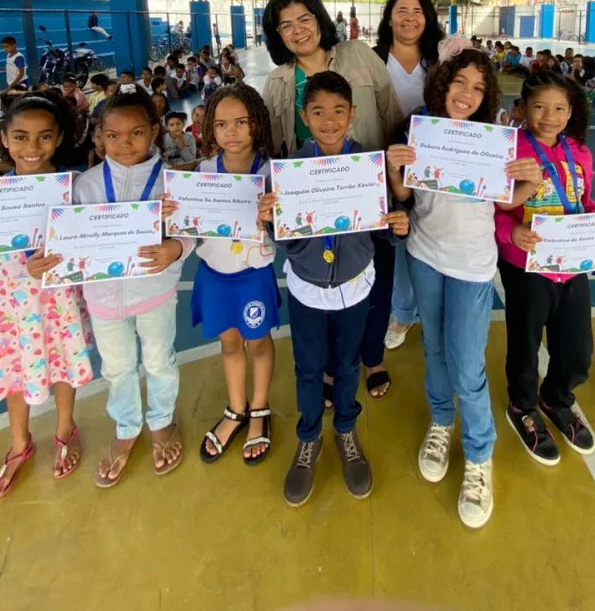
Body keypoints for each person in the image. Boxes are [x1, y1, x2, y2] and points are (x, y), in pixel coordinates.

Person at [385, 38, 535, 529]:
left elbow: (510, 201)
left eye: (477, 87)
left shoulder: (494, 138)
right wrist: (394, 167)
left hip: (471, 266)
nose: (466, 93)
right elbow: (407, 193)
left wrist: (530, 180)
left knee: (468, 363)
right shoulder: (420, 130)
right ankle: (441, 422)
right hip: (425, 256)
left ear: (486, 95)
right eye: (458, 82)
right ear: (441, 83)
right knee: (435, 352)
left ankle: (478, 456)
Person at [259, 71, 409, 507]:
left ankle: (345, 429)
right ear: (304, 117)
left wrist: (398, 225)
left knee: (346, 365)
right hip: (306, 289)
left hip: (356, 288)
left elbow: (384, 230)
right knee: (308, 368)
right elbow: (284, 242)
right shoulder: (289, 172)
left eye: (338, 111)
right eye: (318, 112)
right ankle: (309, 437)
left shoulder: (369, 166)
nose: (328, 121)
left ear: (353, 114)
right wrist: (274, 221)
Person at [261, 0, 403, 400]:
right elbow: (276, 147)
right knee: (319, 284)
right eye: (285, 25)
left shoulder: (360, 55)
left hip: (369, 197)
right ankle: (325, 369)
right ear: (277, 35)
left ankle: (372, 356)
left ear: (320, 19)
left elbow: (391, 111)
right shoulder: (278, 81)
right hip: (313, 208)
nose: (298, 30)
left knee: (378, 278)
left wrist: (395, 180)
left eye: (304, 19)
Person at [494, 71, 595, 465]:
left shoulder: (578, 150)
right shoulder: (509, 150)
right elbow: (492, 207)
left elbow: (584, 203)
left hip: (574, 261)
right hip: (526, 265)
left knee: (577, 349)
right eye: (539, 107)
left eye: (559, 108)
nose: (549, 116)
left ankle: (556, 399)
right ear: (522, 108)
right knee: (524, 343)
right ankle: (522, 408)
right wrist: (512, 232)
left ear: (571, 111)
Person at [0, 92, 93, 497]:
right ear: (3, 138)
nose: (32, 148)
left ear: (58, 139)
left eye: (44, 137)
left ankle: (64, 429)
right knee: (14, 374)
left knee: (61, 364)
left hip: (55, 300)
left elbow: (90, 244)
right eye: (20, 137)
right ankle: (20, 443)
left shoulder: (73, 191)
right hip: (10, 303)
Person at [74, 86, 192, 486]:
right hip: (103, 297)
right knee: (117, 367)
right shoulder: (83, 186)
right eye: (113, 135)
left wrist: (175, 247)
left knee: (159, 360)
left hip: (154, 292)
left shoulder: (173, 182)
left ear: (154, 130)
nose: (125, 144)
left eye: (136, 133)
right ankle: (126, 426)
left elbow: (190, 231)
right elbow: (67, 239)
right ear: (99, 136)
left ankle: (161, 419)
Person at [175, 83, 279, 465]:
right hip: (214, 275)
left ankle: (260, 408)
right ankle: (236, 410)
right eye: (221, 124)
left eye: (241, 122)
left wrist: (274, 217)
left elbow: (287, 232)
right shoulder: (201, 174)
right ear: (210, 129)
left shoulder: (272, 174)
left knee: (259, 343)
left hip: (253, 276)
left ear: (258, 124)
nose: (231, 132)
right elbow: (189, 228)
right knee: (230, 344)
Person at [373, 0, 444, 352]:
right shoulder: (372, 60)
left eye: (418, 10)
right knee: (397, 239)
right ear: (389, 18)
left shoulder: (441, 61)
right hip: (384, 166)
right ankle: (402, 312)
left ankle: (434, 313)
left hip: (434, 168)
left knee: (432, 234)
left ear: (427, 18)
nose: (410, 17)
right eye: (402, 10)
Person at [0, 35, 28, 110]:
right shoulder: (9, 55)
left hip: (20, 84)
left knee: (20, 104)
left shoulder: (18, 57)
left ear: (14, 45)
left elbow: (21, 74)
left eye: (6, 47)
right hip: (12, 84)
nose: (5, 49)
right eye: (3, 47)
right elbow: (8, 68)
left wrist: (11, 86)